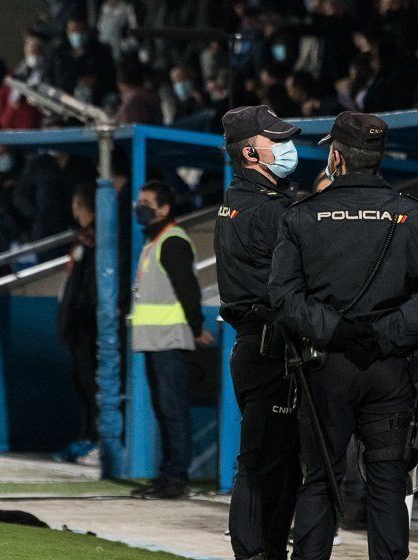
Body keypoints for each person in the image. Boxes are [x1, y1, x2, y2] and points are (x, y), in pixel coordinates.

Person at [269, 111, 418, 560]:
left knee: (320, 480)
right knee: (388, 483)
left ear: (335, 156)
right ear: (379, 157)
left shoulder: (302, 217)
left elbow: (283, 295)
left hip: (325, 366)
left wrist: (340, 332)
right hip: (391, 369)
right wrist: (382, 335)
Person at [213, 105, 303, 560]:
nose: (288, 147)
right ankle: (256, 553)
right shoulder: (271, 210)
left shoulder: (236, 200)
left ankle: (264, 551)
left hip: (253, 344)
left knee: (274, 461)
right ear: (250, 152)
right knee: (265, 461)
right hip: (271, 348)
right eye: (277, 140)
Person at [130, 180, 214, 499]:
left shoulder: (172, 241)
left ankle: (176, 478)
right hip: (155, 340)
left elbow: (188, 289)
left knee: (173, 410)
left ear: (164, 209)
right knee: (164, 411)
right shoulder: (155, 240)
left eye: (147, 202)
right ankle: (167, 475)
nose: (141, 207)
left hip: (170, 340)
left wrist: (195, 327)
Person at [55, 183, 100, 464]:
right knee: (82, 383)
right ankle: (87, 436)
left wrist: (76, 314)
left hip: (87, 321)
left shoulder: (94, 239)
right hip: (77, 321)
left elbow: (85, 286)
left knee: (91, 382)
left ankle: (96, 440)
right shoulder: (84, 238)